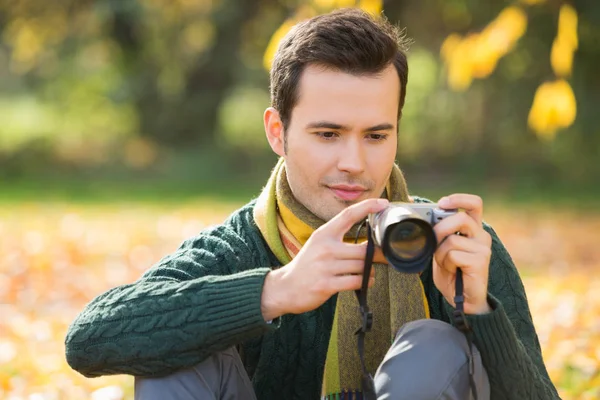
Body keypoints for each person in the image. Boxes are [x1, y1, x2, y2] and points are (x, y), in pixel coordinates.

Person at [65, 8, 560, 400]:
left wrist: (479, 312)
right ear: (277, 133)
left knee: (433, 346)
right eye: (328, 134)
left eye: (375, 135)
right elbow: (87, 339)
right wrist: (276, 290)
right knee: (178, 342)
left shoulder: (452, 244)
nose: (354, 162)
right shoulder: (239, 248)